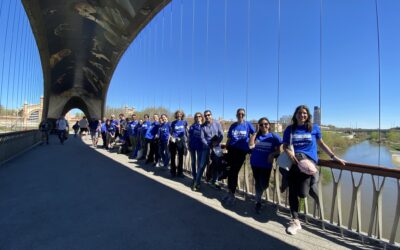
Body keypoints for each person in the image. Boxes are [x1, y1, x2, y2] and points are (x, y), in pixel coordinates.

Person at [283, 105, 346, 235]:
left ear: (308, 115)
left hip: (308, 163)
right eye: (299, 113)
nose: (302, 115)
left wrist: (334, 157)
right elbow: (285, 145)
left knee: (302, 194)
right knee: (293, 192)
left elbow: (321, 144)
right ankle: (295, 221)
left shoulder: (314, 128)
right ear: (295, 115)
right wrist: (289, 153)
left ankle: (312, 181)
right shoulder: (290, 129)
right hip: (294, 162)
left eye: (305, 113)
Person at [249, 117, 281, 213]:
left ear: (269, 125)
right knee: (258, 183)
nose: (264, 126)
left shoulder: (274, 136)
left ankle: (258, 199)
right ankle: (258, 202)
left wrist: (273, 154)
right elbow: (250, 146)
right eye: (261, 124)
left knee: (264, 184)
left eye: (266, 124)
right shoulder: (257, 136)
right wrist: (255, 133)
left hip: (266, 165)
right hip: (255, 163)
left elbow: (281, 149)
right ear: (259, 126)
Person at [224, 108, 255, 205]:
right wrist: (226, 148)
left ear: (244, 115)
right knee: (230, 172)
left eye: (242, 114)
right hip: (231, 150)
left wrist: (251, 143)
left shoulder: (248, 124)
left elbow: (254, 133)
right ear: (236, 115)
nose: (240, 115)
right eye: (239, 114)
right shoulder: (233, 125)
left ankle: (232, 194)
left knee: (234, 171)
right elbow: (229, 138)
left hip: (241, 152)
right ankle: (230, 193)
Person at [194, 110, 224, 191]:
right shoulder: (203, 126)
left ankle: (214, 181)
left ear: (211, 115)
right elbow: (202, 138)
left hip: (217, 147)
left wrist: (217, 142)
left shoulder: (217, 123)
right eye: (205, 115)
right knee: (201, 165)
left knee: (217, 165)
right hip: (206, 147)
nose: (207, 116)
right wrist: (208, 145)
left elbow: (221, 134)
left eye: (208, 115)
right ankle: (197, 183)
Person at [169, 110, 188, 178]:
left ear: (182, 115)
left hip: (181, 140)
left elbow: (186, 131)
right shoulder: (173, 123)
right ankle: (173, 172)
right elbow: (171, 132)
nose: (179, 115)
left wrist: (186, 141)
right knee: (173, 156)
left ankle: (180, 172)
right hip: (174, 140)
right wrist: (170, 137)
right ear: (176, 115)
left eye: (180, 114)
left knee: (180, 157)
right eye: (177, 114)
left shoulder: (185, 122)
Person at [188, 112, 203, 185]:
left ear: (201, 117)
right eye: (196, 117)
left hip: (200, 147)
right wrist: (188, 145)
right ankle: (194, 178)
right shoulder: (192, 126)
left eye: (199, 116)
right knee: (193, 162)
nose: (198, 118)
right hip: (192, 146)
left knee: (199, 163)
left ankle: (198, 178)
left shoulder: (204, 125)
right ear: (195, 118)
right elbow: (189, 136)